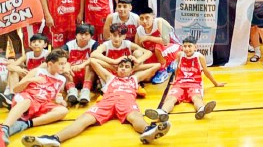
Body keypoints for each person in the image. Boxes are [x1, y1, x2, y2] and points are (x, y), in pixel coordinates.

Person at [21, 57, 168, 146]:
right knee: (83, 119)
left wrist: (135, 64)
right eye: (121, 67)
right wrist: (114, 64)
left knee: (135, 116)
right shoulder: (110, 77)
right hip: (106, 101)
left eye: (126, 67)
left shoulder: (134, 78)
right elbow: (93, 61)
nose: (123, 69)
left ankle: (148, 130)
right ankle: (55, 138)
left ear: (131, 70)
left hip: (126, 100)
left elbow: (156, 66)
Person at [144, 36, 225, 123]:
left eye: (189, 46)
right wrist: (175, 80)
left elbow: (206, 71)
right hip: (180, 84)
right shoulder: (180, 55)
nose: (187, 49)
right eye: (184, 46)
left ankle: (201, 109)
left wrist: (216, 83)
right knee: (171, 98)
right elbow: (177, 68)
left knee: (196, 98)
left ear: (195, 47)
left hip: (195, 84)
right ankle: (162, 112)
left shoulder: (199, 57)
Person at [1, 49, 69, 146]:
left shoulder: (62, 79)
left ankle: (26, 124)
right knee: (27, 101)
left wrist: (61, 101)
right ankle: (5, 128)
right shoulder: (37, 71)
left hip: (42, 104)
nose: (64, 66)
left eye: (65, 64)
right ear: (50, 64)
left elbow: (55, 97)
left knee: (63, 110)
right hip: (27, 98)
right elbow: (16, 89)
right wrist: (29, 80)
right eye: (61, 64)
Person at [135, 7, 182, 83]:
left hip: (175, 48)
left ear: (153, 17)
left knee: (158, 46)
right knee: (140, 54)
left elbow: (165, 41)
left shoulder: (159, 22)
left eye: (147, 18)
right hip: (158, 54)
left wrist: (148, 37)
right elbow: (137, 48)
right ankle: (166, 65)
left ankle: (163, 70)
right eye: (142, 18)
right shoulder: (139, 30)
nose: (144, 21)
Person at [1, 34, 49, 106]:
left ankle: (10, 94)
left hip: (41, 79)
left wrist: (26, 72)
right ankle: (12, 95)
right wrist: (19, 70)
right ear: (30, 45)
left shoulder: (48, 54)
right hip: (27, 77)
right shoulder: (28, 55)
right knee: (13, 69)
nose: (36, 44)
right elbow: (10, 66)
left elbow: (41, 68)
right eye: (34, 42)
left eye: (39, 42)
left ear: (45, 45)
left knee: (17, 69)